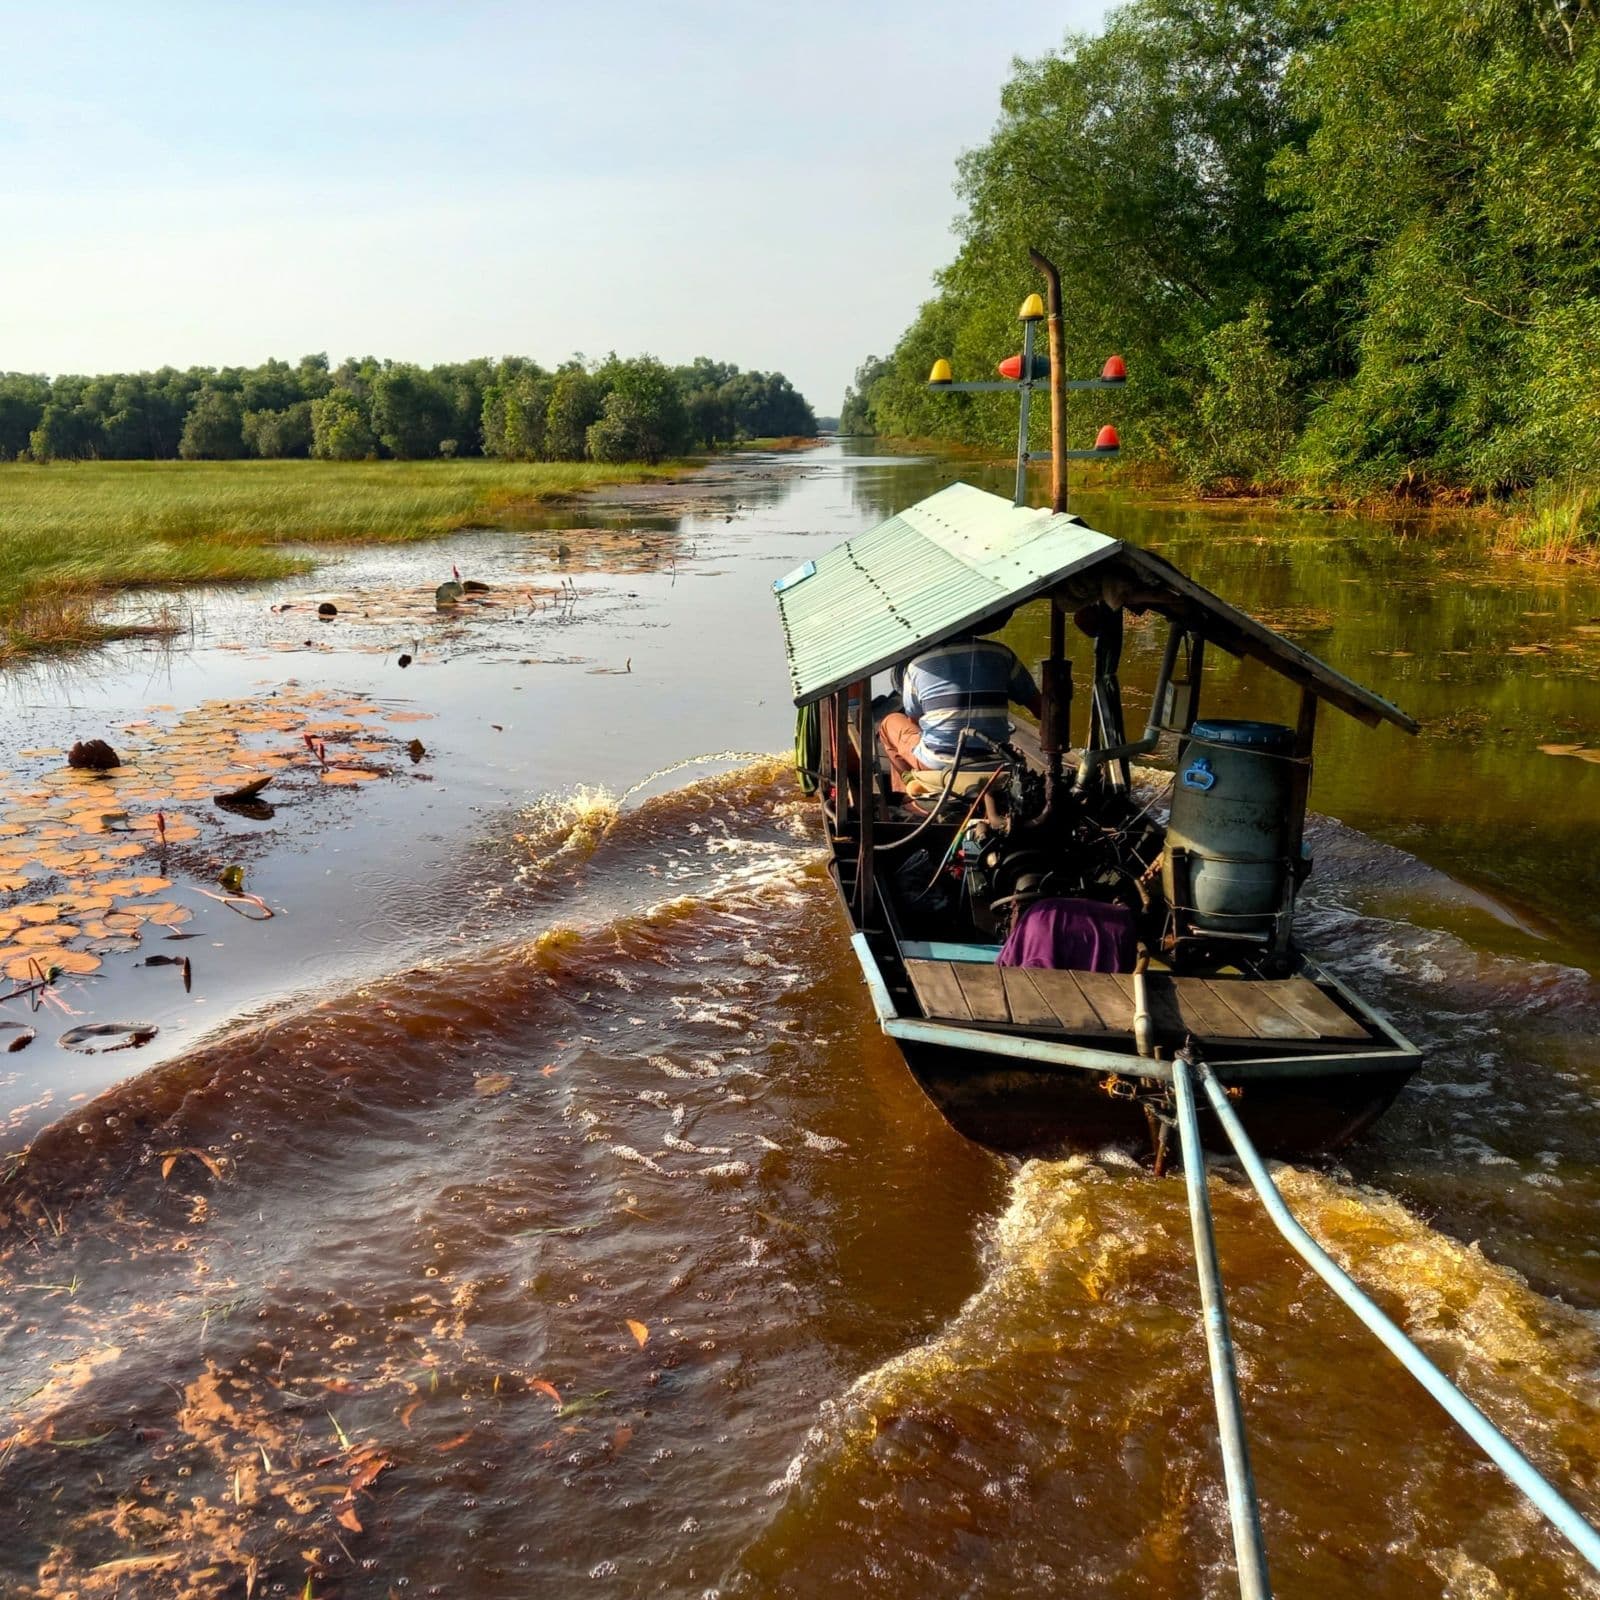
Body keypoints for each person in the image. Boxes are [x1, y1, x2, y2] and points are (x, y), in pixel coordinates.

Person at [877, 615, 1041, 783]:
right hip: (998, 759)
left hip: (939, 762)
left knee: (890, 722)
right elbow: (1040, 708)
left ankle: (909, 786)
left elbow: (914, 721)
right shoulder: (1002, 654)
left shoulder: (917, 665)